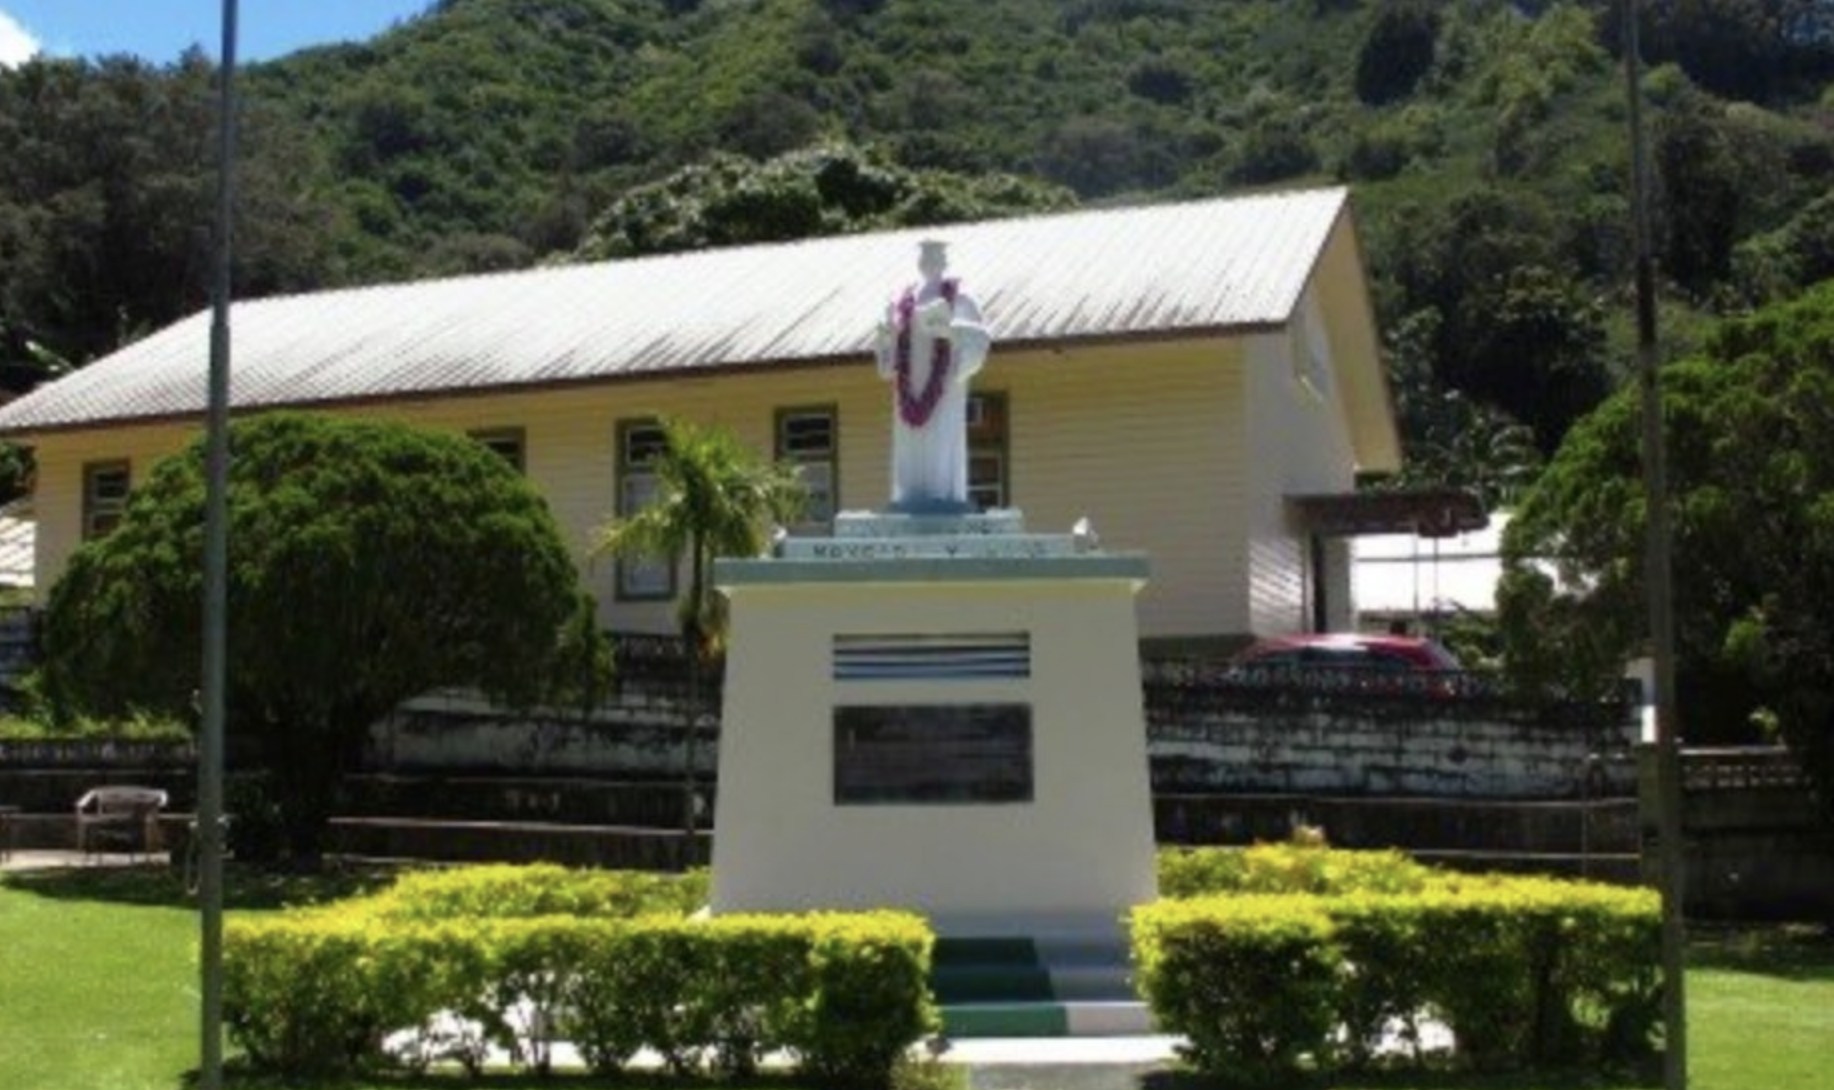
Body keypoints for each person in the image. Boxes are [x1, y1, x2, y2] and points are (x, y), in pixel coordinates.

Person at [873, 239, 991, 512]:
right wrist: (884, 338)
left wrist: (948, 329)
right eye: (925, 256)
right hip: (909, 382)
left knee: (941, 432)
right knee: (910, 437)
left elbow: (980, 336)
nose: (930, 261)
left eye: (936, 255)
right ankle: (908, 494)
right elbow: (888, 340)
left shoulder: (961, 296)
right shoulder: (902, 298)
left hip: (944, 381)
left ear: (945, 261)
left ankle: (942, 494)